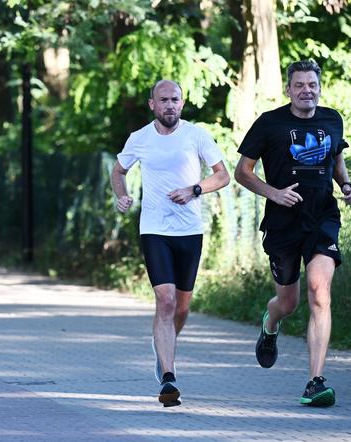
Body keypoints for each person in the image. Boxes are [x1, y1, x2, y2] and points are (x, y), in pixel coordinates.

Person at [234, 60, 351, 407]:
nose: (307, 90)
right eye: (299, 85)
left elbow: (336, 161)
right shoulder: (270, 123)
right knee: (288, 302)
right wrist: (273, 193)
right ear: (289, 89)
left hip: (321, 217)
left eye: (312, 84)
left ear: (320, 87)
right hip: (283, 221)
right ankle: (270, 323)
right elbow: (242, 172)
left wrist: (346, 185)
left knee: (320, 291)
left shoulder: (332, 119)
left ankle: (315, 382)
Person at [110, 79, 230, 407]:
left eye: (175, 99)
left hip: (190, 231)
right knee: (164, 300)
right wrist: (121, 196)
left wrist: (194, 189)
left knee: (181, 306)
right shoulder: (140, 138)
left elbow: (223, 175)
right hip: (154, 229)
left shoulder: (196, 135)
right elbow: (117, 171)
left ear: (182, 102)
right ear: (152, 104)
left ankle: (163, 349)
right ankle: (168, 375)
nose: (169, 105)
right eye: (163, 100)